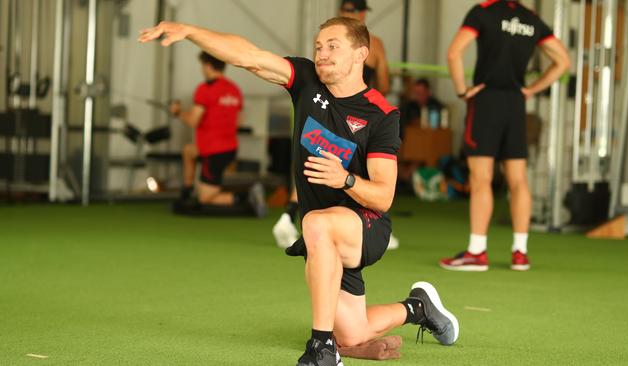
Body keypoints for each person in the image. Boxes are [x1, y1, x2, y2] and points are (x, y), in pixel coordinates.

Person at [139, 16, 458, 366]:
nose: (321, 54)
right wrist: (191, 32)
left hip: (364, 226)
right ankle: (418, 307)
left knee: (317, 224)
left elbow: (383, 197)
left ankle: (322, 348)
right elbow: (248, 56)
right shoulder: (307, 81)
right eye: (318, 47)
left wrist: (346, 179)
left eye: (333, 46)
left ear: (360, 54)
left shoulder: (382, 115)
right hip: (322, 237)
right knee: (354, 332)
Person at [441, 0, 570, 271]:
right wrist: (532, 89)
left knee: (481, 177)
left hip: (486, 101)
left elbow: (454, 54)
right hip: (515, 104)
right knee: (518, 179)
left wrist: (463, 91)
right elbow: (562, 61)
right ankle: (520, 252)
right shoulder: (530, 18)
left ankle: (477, 251)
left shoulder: (483, 12)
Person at [273, 0, 399, 250]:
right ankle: (296, 217)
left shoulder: (334, 43)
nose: (323, 51)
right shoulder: (374, 45)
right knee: (328, 161)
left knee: (319, 157)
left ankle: (290, 215)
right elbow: (384, 83)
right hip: (354, 111)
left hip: (352, 111)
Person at [171, 52, 266, 217]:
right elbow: (239, 122)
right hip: (229, 149)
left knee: (205, 199)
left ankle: (245, 197)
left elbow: (193, 120)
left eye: (202, 65)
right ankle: (186, 193)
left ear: (207, 66)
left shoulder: (204, 89)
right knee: (189, 151)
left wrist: (178, 112)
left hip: (212, 152)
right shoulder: (234, 89)